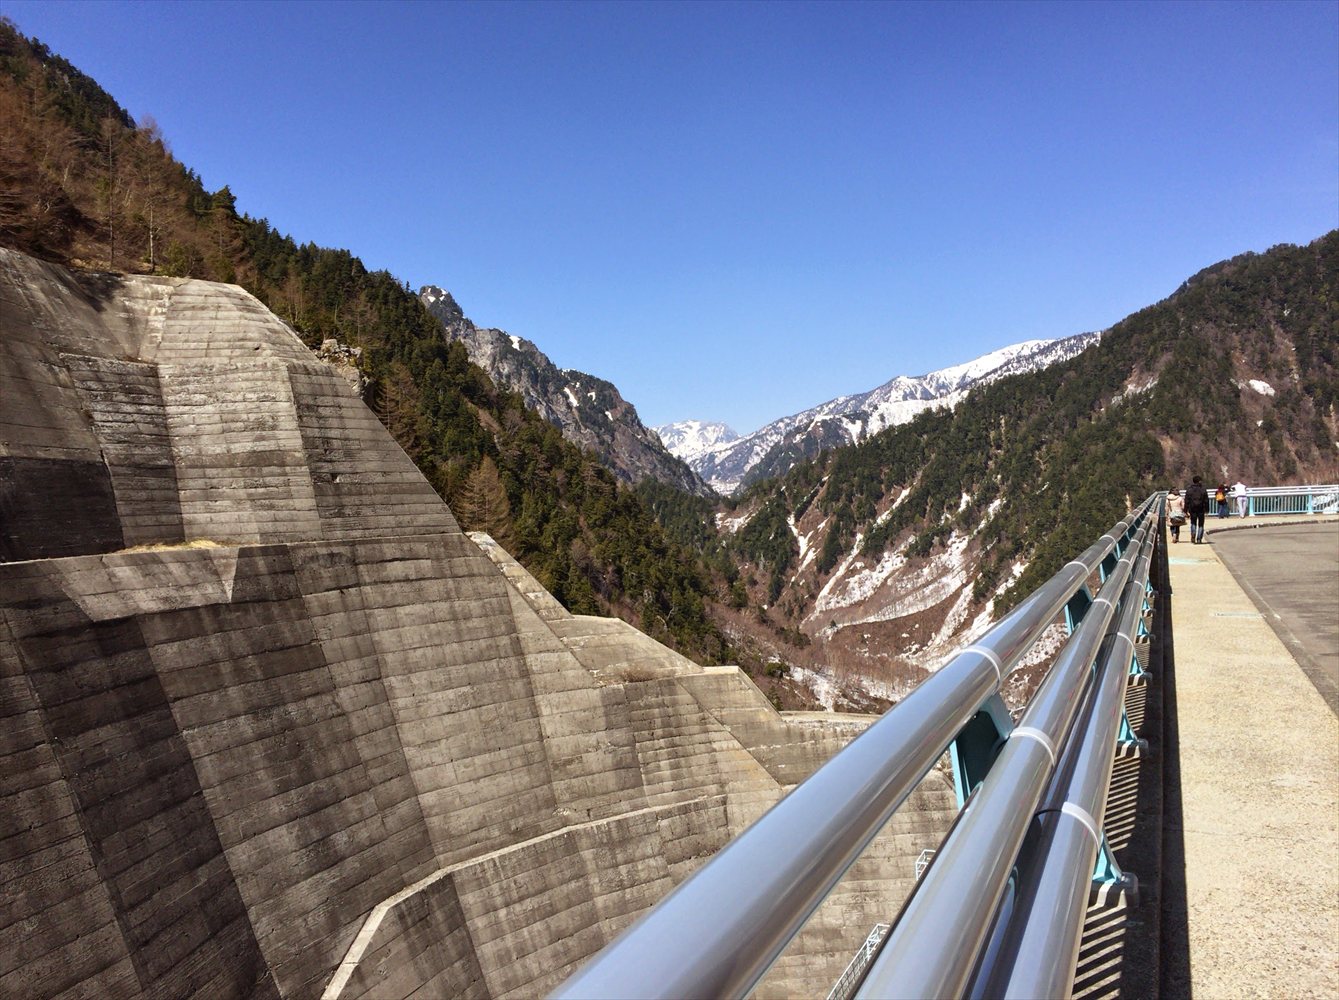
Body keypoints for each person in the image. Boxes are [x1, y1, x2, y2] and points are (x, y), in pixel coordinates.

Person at [1184, 476, 1209, 543]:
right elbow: (1206, 500)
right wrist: (1207, 509)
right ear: (1199, 481)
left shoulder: (1189, 489)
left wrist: (1185, 510)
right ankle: (1199, 539)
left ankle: (1193, 533)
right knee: (1201, 524)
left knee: (1193, 522)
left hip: (1192, 508)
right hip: (1201, 508)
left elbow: (1187, 500)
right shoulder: (1203, 489)